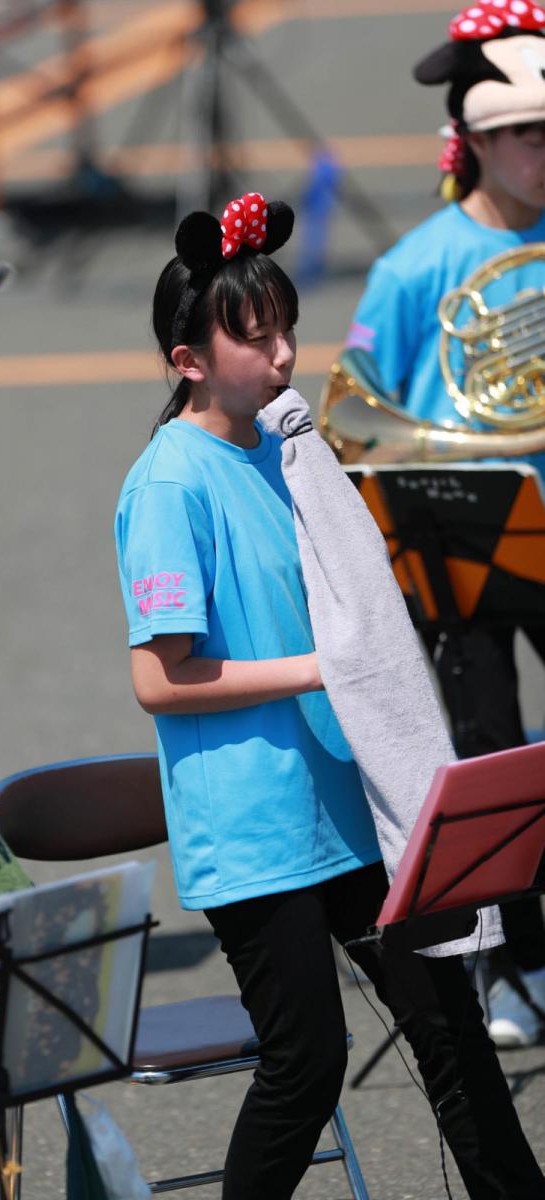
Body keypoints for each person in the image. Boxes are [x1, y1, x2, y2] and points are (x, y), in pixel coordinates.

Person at [114, 189, 545, 1200]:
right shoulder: (171, 484)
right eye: (252, 339)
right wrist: (331, 668)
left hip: (347, 802)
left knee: (448, 1029)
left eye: (286, 331)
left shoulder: (286, 447)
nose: (282, 357)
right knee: (305, 1063)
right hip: (255, 829)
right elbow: (159, 679)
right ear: (186, 360)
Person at [343, 0, 545, 1048]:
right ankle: (518, 961)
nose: (540, 153)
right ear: (473, 140)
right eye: (523, 134)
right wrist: (446, 452)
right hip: (461, 534)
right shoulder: (416, 264)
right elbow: (354, 410)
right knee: (490, 757)